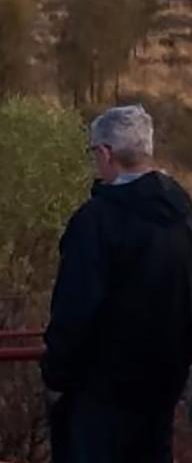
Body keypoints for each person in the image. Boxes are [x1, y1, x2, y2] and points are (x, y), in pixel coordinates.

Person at [43, 106, 192, 462]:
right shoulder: (182, 213)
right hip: (165, 384)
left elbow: (75, 307)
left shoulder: (96, 221)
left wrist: (55, 374)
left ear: (106, 153)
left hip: (102, 391)